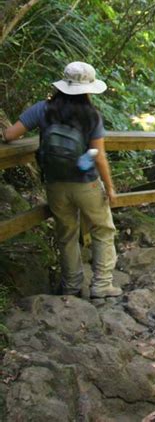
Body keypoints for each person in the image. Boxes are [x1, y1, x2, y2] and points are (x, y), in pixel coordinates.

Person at [0, 62, 122, 299]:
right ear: (88, 89)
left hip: (55, 184)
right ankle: (101, 285)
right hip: (86, 184)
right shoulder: (91, 116)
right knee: (103, 230)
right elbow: (100, 157)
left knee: (66, 235)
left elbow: (10, 134)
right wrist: (110, 187)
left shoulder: (43, 109)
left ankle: (71, 285)